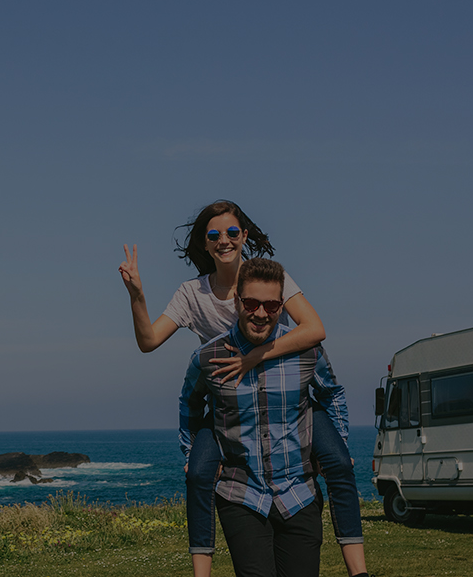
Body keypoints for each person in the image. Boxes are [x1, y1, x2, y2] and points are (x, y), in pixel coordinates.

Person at [119, 200, 365, 577]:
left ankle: (358, 569)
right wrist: (137, 294)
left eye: (232, 232)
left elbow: (314, 330)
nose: (224, 240)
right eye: (214, 234)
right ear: (204, 243)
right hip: (228, 403)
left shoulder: (269, 280)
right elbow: (150, 340)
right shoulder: (192, 294)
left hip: (284, 391)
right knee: (198, 474)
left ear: (244, 236)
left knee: (339, 462)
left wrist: (256, 357)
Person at [179, 257, 350, 577]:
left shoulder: (307, 351)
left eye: (271, 305)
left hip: (299, 494)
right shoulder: (208, 358)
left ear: (282, 305)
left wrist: (336, 446)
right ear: (237, 301)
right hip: (241, 497)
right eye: (252, 303)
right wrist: (192, 453)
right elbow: (190, 404)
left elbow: (331, 394)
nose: (260, 313)